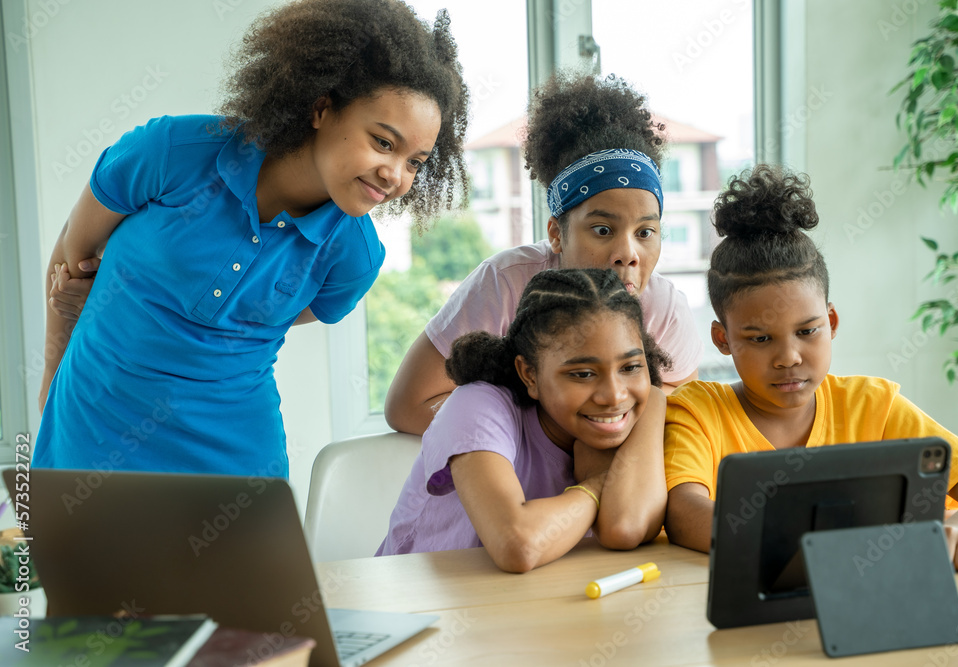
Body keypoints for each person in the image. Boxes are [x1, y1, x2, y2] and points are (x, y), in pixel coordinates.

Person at [34, 0, 469, 477]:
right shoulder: (168, 153)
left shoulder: (355, 256)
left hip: (234, 459)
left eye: (415, 162)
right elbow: (71, 265)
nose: (395, 175)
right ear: (322, 108)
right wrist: (50, 377)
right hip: (91, 427)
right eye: (383, 142)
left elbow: (260, 322)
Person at [663, 164, 958, 572]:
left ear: (832, 322)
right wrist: (819, 543)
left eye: (807, 331)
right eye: (760, 338)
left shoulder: (872, 404)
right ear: (722, 340)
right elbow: (684, 513)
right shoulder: (697, 410)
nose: (789, 357)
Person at [384, 73, 702, 435]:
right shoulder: (505, 283)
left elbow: (686, 414)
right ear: (556, 234)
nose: (628, 254)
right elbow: (407, 406)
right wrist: (540, 434)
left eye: (645, 232)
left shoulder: (664, 307)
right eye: (602, 230)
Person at [377, 268, 670, 572]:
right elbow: (518, 545)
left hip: (532, 608)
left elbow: (624, 526)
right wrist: (599, 484)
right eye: (583, 374)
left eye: (631, 367)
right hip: (415, 608)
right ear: (529, 373)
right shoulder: (477, 406)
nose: (613, 395)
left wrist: (655, 403)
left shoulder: (632, 412)